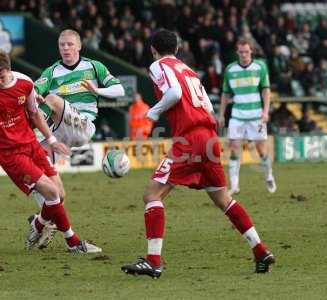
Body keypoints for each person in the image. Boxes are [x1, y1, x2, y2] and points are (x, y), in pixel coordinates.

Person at [121, 29, 275, 278]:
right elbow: (206, 104)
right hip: (210, 137)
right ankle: (260, 250)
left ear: (153, 49)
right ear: (178, 48)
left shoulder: (158, 65)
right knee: (223, 200)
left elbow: (174, 94)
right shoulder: (187, 69)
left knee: (152, 194)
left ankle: (153, 261)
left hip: (190, 139)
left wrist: (154, 112)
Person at [31, 29, 125, 247]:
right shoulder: (52, 71)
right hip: (59, 133)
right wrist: (34, 94)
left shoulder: (94, 67)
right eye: (62, 45)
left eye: (70, 44)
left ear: (79, 46)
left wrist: (97, 90)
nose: (65, 48)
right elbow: (35, 89)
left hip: (83, 125)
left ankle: (31, 130)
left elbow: (119, 90)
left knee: (53, 99)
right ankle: (45, 220)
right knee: (46, 182)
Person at [0, 50, 101, 253]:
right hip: (11, 155)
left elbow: (35, 115)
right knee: (52, 192)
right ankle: (73, 243)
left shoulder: (25, 83)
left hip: (31, 145)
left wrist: (52, 140)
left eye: (1, 77)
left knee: (60, 195)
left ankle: (37, 225)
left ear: (8, 70)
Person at [218, 38, 276, 195]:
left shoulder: (260, 67)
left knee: (261, 150)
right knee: (234, 148)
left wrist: (265, 111)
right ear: (237, 52)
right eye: (241, 52)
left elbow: (266, 90)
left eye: (246, 51)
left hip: (256, 115)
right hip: (237, 115)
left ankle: (269, 176)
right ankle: (234, 185)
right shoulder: (230, 69)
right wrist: (221, 114)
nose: (244, 54)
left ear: (251, 51)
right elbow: (225, 93)